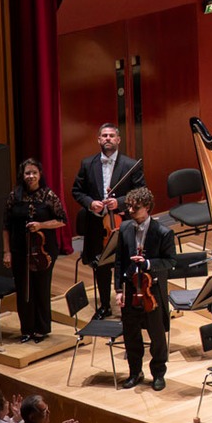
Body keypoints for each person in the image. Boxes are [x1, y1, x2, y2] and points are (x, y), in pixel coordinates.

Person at [72, 121, 144, 314]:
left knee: (127, 264)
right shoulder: (87, 164)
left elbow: (140, 192)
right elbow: (77, 191)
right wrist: (90, 203)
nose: (108, 139)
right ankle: (105, 306)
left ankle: (128, 305)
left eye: (111, 136)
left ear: (118, 140)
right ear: (98, 140)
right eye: (104, 136)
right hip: (96, 225)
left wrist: (119, 202)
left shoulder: (130, 165)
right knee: (101, 266)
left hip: (123, 225)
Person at [113, 186, 174, 390]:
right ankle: (135, 372)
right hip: (131, 289)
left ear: (147, 207)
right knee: (131, 334)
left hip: (151, 291)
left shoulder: (163, 232)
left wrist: (148, 263)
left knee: (157, 336)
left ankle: (158, 374)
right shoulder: (124, 228)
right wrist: (119, 290)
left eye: (136, 207)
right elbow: (119, 261)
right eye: (129, 207)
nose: (130, 211)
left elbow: (170, 261)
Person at [3, 157, 65, 342]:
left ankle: (41, 329)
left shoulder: (48, 195)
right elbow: (6, 226)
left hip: (43, 250)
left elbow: (62, 220)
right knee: (23, 290)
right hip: (19, 250)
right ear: (22, 175)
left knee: (41, 288)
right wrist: (7, 252)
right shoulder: (14, 196)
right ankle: (26, 329)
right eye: (27, 173)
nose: (31, 176)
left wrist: (41, 225)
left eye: (34, 173)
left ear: (40, 174)